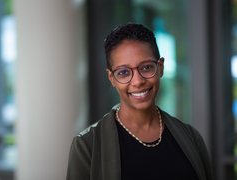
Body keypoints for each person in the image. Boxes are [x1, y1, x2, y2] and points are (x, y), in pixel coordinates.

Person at [66, 23, 214, 180]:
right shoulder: (87, 145)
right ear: (112, 78)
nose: (137, 81)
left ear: (161, 67)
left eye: (146, 67)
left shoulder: (191, 137)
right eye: (123, 72)